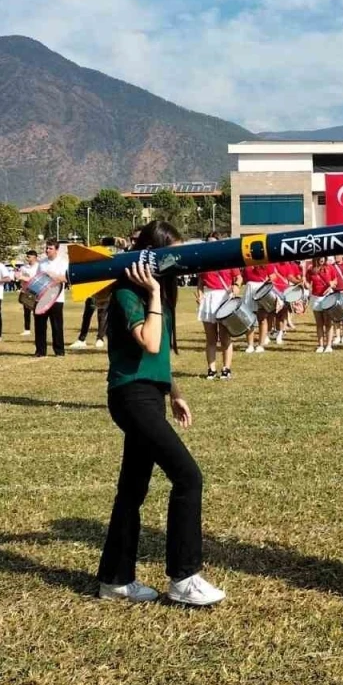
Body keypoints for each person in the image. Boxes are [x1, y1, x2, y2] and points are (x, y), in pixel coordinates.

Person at [96, 220, 224, 606]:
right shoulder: (128, 296)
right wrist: (152, 291)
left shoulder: (158, 299)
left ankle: (115, 580)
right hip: (130, 397)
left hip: (149, 397)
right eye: (175, 255)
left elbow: (161, 358)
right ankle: (184, 577)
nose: (180, 264)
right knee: (188, 477)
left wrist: (174, 392)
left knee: (132, 490)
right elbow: (151, 343)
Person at [196, 264, 240, 379]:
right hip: (209, 298)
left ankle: (226, 368)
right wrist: (200, 295)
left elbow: (239, 277)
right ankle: (211, 369)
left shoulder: (229, 260)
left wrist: (236, 285)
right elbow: (200, 282)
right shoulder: (204, 262)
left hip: (224, 297)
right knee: (211, 338)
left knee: (225, 336)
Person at [34, 240, 68, 358]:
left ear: (57, 250)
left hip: (56, 298)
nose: (47, 250)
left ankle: (59, 351)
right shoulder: (42, 263)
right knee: (40, 325)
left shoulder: (63, 263)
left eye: (50, 248)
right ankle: (40, 351)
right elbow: (37, 278)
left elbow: (66, 279)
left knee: (57, 326)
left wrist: (54, 277)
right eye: (46, 248)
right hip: (42, 298)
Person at [16, 250, 40, 337]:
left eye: (29, 257)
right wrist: (19, 278)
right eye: (27, 256)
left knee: (36, 311)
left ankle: (38, 328)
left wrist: (24, 278)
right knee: (26, 311)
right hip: (26, 291)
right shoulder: (23, 268)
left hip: (36, 291)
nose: (27, 258)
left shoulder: (39, 267)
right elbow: (21, 279)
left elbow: (36, 279)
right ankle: (27, 329)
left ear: (35, 257)